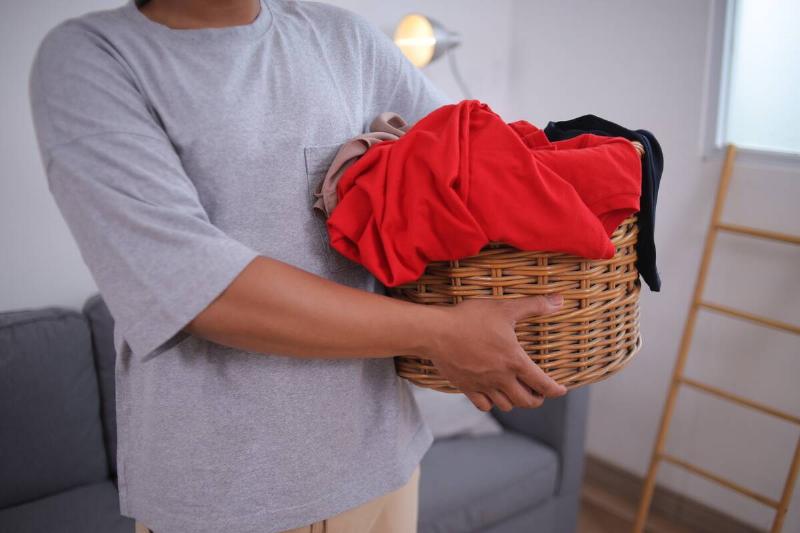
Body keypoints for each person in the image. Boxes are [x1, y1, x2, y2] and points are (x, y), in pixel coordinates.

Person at [29, 1, 567, 531]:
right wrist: (444, 334)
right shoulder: (94, 58)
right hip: (232, 504)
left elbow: (477, 161)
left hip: (388, 466)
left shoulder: (344, 39)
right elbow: (202, 290)